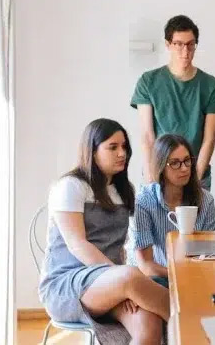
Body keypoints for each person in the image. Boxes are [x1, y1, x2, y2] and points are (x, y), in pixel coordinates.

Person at [39, 119, 168, 344]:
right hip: (67, 285)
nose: (122, 153)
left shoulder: (122, 191)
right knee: (131, 275)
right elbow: (77, 244)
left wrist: (121, 282)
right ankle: (194, 324)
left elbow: (118, 248)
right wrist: (119, 278)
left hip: (109, 284)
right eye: (113, 147)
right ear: (92, 150)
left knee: (149, 321)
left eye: (125, 147)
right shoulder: (71, 185)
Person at [131, 15, 215, 190]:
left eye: (191, 44)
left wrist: (194, 180)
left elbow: (209, 139)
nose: (185, 51)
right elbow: (147, 135)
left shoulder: (211, 86)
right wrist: (152, 175)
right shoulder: (148, 81)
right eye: (179, 44)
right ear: (168, 44)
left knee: (195, 218)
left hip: (196, 172)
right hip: (159, 172)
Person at [128, 134, 215, 287]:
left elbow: (207, 254)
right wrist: (180, 274)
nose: (184, 168)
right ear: (161, 166)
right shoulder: (143, 201)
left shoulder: (206, 200)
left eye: (187, 161)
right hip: (153, 278)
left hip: (194, 275)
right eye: (175, 163)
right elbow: (146, 266)